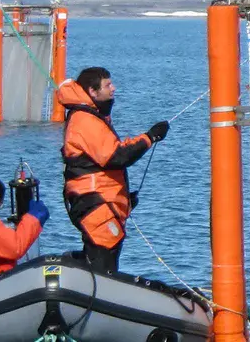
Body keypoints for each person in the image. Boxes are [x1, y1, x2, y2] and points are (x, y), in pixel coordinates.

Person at [56, 67, 168, 273]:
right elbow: (116, 156)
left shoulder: (92, 116)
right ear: (92, 91)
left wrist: (124, 199)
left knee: (105, 256)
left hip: (102, 201)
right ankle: (79, 282)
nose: (113, 88)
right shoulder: (84, 119)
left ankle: (75, 272)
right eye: (108, 85)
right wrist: (149, 137)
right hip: (93, 202)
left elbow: (107, 160)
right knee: (102, 261)